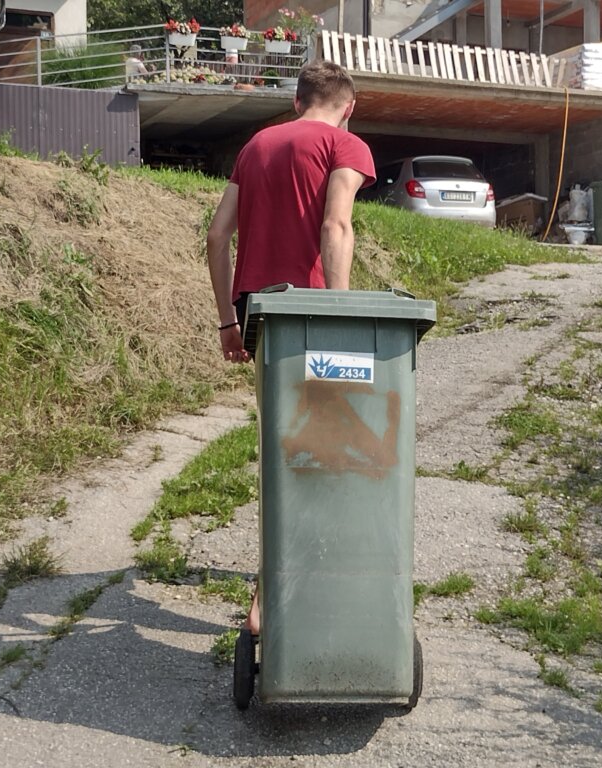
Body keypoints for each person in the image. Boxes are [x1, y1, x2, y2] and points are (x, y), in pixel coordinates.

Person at [206, 60, 376, 633]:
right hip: (312, 313)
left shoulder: (256, 144)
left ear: (297, 101)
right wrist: (343, 312)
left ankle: (277, 584)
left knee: (284, 446)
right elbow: (336, 227)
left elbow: (216, 234)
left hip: (259, 316)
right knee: (322, 451)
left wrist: (228, 321)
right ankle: (279, 592)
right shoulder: (344, 145)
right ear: (348, 107)